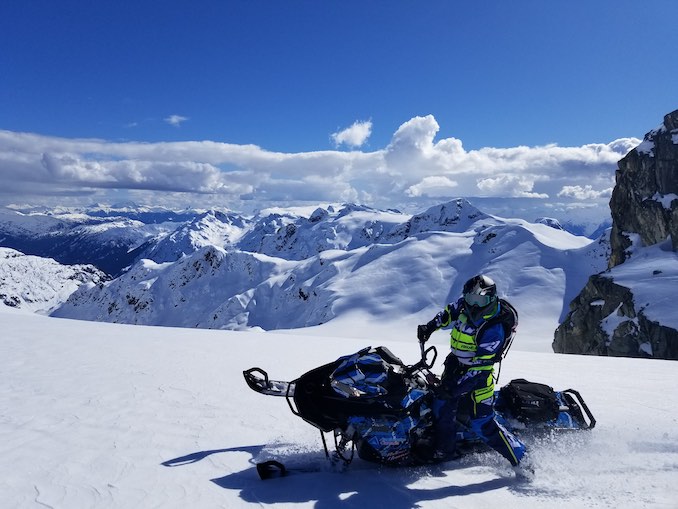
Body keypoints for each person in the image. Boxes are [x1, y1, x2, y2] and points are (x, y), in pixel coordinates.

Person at [417, 274, 529, 471]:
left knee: (483, 423)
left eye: (481, 300)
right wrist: (430, 327)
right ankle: (445, 450)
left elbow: (480, 368)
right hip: (455, 367)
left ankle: (522, 459)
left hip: (478, 378)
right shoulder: (463, 306)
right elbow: (448, 313)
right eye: (471, 299)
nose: (474, 305)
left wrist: (454, 389)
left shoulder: (493, 328)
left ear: (491, 299)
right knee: (441, 405)